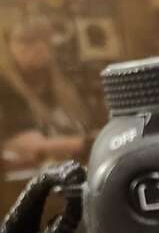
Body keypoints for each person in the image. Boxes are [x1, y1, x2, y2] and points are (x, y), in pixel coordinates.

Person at [0, 20, 92, 170]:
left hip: (78, 168)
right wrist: (87, 143)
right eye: (26, 41)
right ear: (9, 47)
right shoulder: (6, 90)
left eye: (43, 39)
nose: (38, 47)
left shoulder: (67, 86)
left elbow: (86, 126)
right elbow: (25, 143)